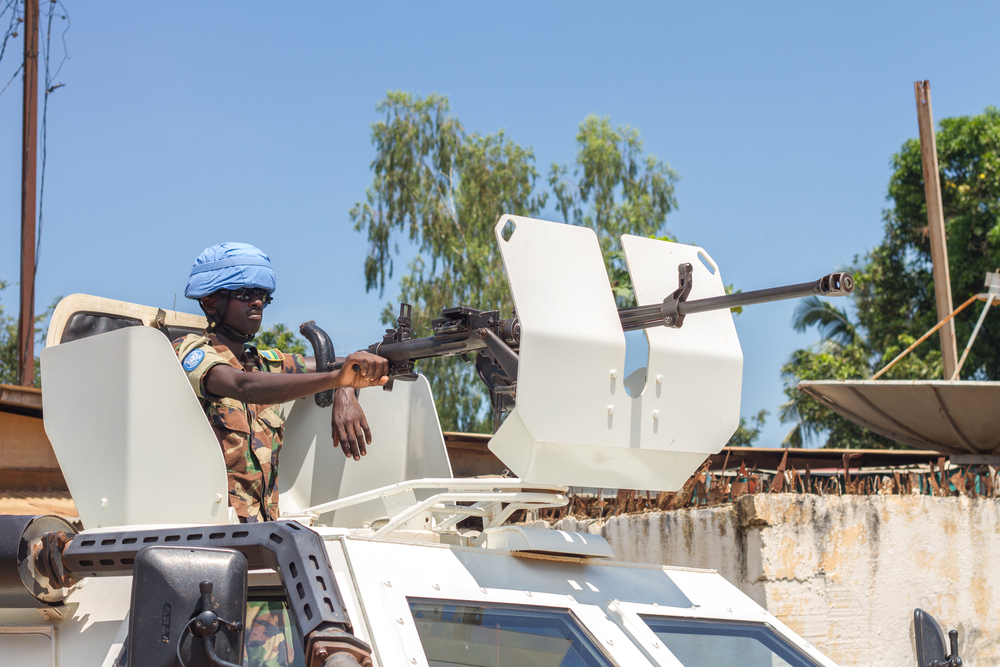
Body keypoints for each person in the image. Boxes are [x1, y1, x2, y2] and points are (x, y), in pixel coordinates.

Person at [172, 242, 389, 524]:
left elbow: (341, 364)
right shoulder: (189, 351)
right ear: (211, 303)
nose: (257, 301)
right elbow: (242, 386)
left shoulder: (263, 364)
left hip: (263, 533)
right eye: (244, 293)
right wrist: (337, 379)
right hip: (212, 534)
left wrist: (345, 387)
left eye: (262, 294)